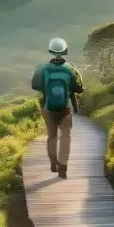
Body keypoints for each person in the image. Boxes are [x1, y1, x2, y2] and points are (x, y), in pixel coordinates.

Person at [30, 37, 84, 179]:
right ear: (64, 50)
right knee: (65, 136)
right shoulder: (70, 69)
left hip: (48, 108)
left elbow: (34, 85)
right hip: (65, 109)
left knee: (52, 135)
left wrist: (46, 88)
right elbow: (78, 88)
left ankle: (53, 161)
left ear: (51, 50)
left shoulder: (42, 68)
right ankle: (63, 167)